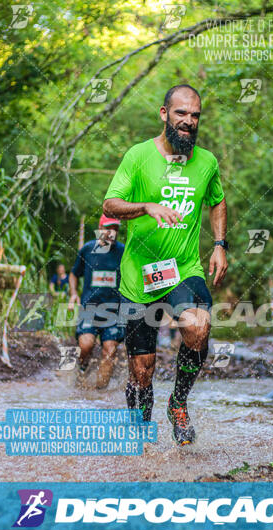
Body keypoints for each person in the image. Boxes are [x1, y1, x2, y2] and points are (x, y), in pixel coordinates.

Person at [103, 84, 228, 445]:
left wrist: (219, 244)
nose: (188, 122)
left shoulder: (206, 162)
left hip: (183, 269)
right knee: (141, 374)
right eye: (180, 114)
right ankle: (141, 437)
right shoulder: (139, 156)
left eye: (195, 116)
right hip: (137, 279)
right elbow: (111, 204)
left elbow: (217, 201)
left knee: (198, 325)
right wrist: (144, 206)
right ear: (164, 114)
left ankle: (178, 402)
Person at [68, 214, 125, 389]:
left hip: (114, 311)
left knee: (110, 350)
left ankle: (99, 394)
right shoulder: (87, 250)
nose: (112, 233)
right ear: (100, 230)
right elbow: (73, 274)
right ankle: (82, 370)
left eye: (115, 229)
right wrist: (73, 294)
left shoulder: (123, 251)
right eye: (108, 229)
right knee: (86, 345)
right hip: (89, 308)